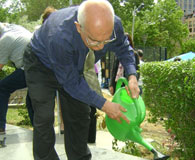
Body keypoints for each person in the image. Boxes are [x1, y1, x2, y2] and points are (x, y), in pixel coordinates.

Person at [23, 0, 140, 159]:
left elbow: (124, 48)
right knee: (44, 116)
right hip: (41, 64)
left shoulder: (113, 25)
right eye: (94, 41)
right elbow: (70, 82)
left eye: (106, 41)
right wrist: (105, 105)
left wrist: (132, 75)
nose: (100, 47)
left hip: (72, 67)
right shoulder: (59, 36)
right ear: (79, 27)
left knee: (80, 113)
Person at [0, 23, 34, 134]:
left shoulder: (5, 40)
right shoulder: (16, 27)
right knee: (32, 99)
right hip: (43, 66)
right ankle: (41, 132)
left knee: (2, 88)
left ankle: (0, 129)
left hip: (29, 69)